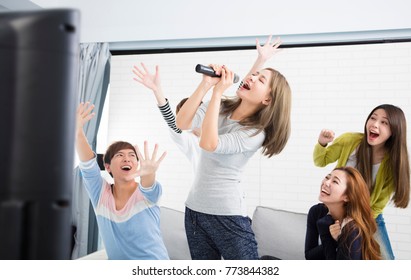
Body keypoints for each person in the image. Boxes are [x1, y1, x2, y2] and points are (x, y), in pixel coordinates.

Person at [175, 35, 292, 260]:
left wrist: (217, 93)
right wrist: (206, 85)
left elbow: (209, 144)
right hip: (194, 213)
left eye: (261, 79)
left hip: (228, 216)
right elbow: (182, 122)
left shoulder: (255, 133)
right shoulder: (221, 107)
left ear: (268, 100)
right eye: (254, 75)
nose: (253, 78)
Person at [313, 104, 410, 259]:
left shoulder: (393, 164)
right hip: (339, 210)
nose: (375, 124)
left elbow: (377, 206)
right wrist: (322, 143)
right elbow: (321, 160)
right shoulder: (349, 141)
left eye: (384, 122)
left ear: (394, 131)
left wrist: (354, 222)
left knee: (387, 260)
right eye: (373, 118)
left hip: (369, 217)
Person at [75, 102, 169, 260]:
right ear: (108, 167)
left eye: (132, 155)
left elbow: (148, 184)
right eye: (120, 155)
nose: (127, 158)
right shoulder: (100, 194)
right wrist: (77, 132)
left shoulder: (149, 194)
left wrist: (149, 173)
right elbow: (88, 166)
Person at [132, 63, 201, 172]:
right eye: (186, 117)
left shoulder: (222, 130)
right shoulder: (189, 139)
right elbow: (173, 123)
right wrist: (157, 90)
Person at [305, 167, 381, 260]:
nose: (326, 182)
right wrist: (333, 241)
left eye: (335, 181)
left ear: (347, 196)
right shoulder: (316, 212)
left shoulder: (352, 229)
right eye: (327, 177)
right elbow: (309, 256)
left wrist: (331, 237)